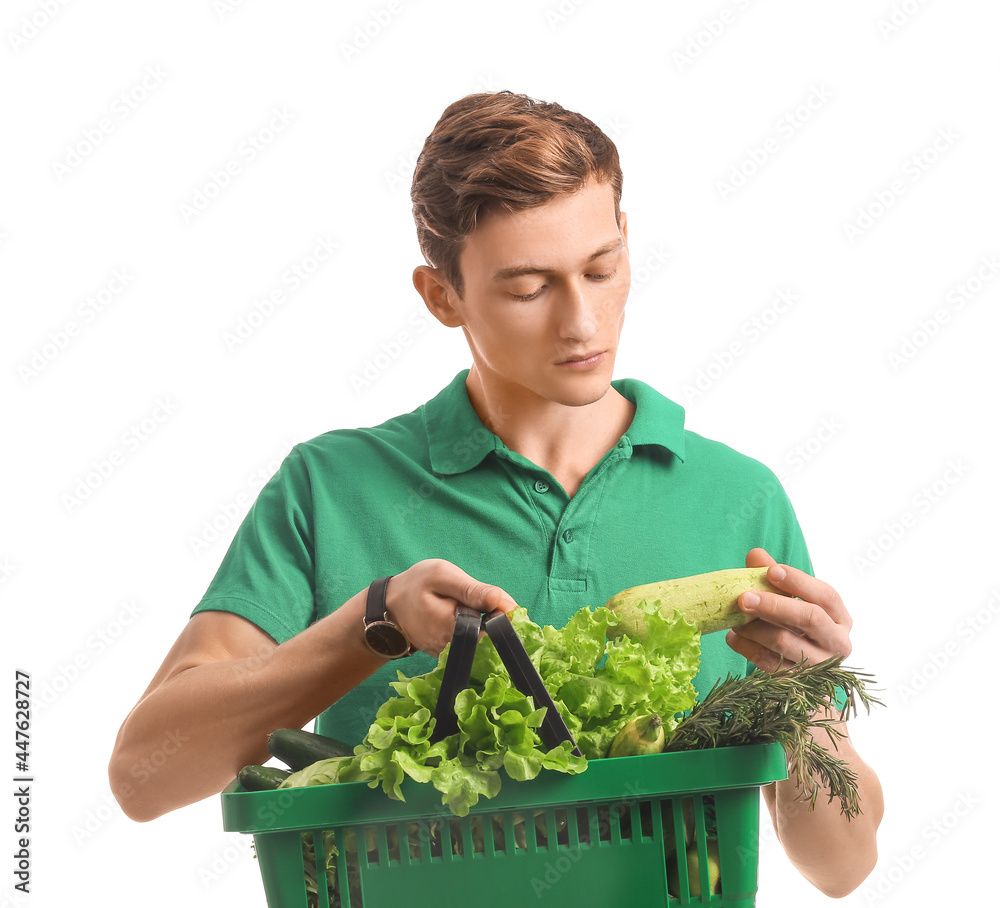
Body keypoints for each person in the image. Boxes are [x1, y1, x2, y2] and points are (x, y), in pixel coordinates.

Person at [109, 89, 882, 896]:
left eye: (602, 268)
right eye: (527, 287)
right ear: (442, 295)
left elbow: (844, 867)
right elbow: (142, 777)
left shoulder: (737, 498)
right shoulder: (329, 488)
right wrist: (370, 625)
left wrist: (808, 703)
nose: (582, 321)